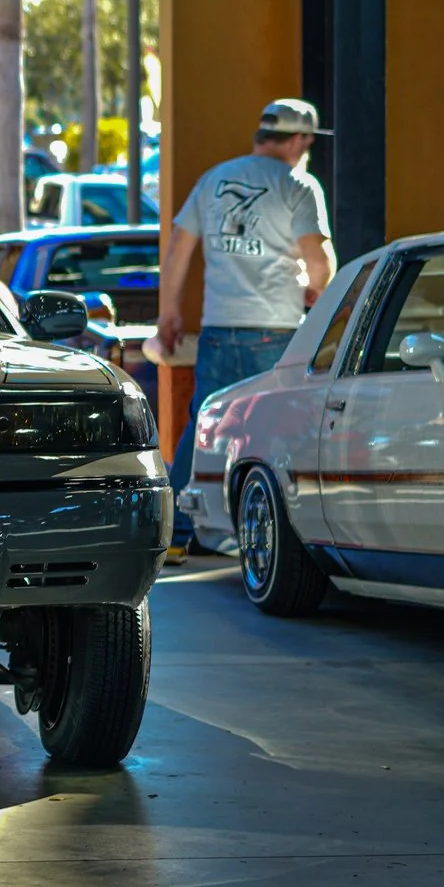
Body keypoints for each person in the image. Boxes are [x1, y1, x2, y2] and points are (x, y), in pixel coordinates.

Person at [160, 98, 335, 555]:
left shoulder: (214, 179)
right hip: (276, 330)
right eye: (308, 142)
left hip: (220, 327)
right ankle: (272, 540)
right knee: (275, 434)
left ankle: (176, 537)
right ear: (298, 140)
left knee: (204, 427)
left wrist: (169, 313)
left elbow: (179, 246)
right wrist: (316, 290)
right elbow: (319, 260)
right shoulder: (299, 184)